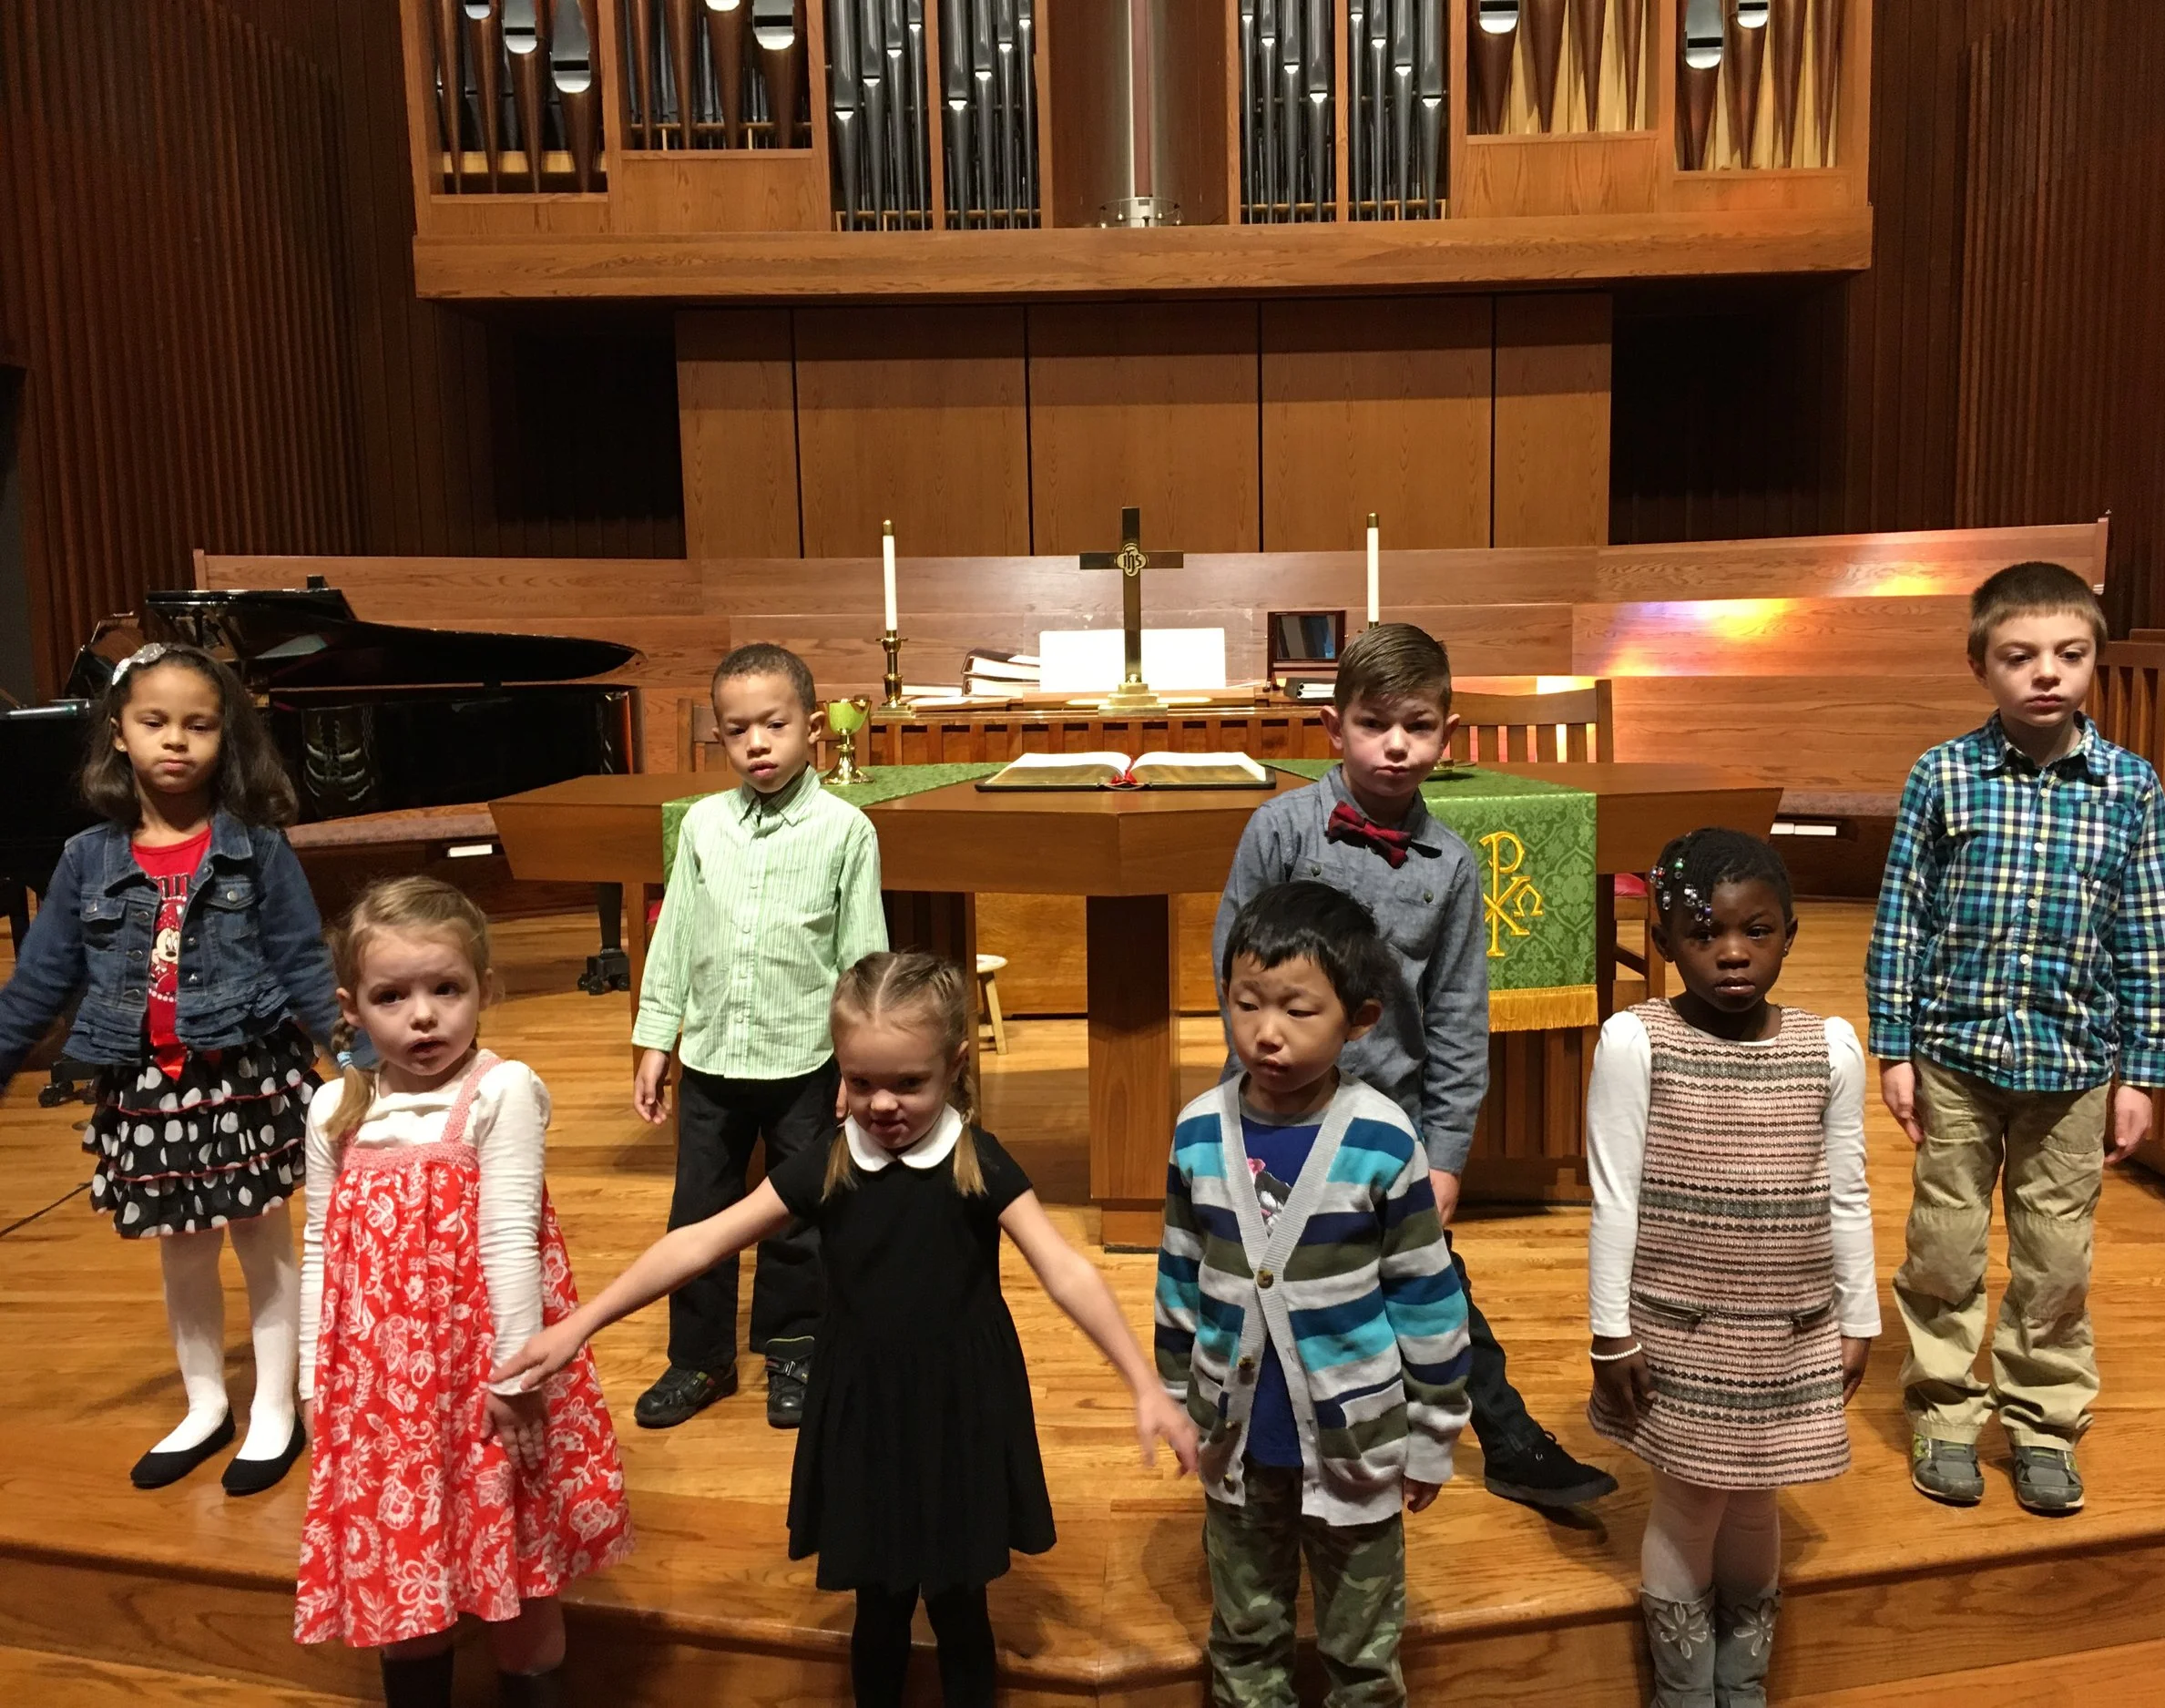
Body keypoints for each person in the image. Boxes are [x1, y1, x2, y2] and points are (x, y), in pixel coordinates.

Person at [500, 949, 1196, 1708]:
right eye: (861, 1080)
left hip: (960, 1400)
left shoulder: (976, 1160)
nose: (883, 1103)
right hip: (864, 1404)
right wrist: (581, 1322)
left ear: (955, 1064)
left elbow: (1068, 1271)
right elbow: (701, 1239)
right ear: (839, 1067)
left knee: (961, 1601)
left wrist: (1143, 1381)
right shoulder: (826, 1164)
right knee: (880, 1601)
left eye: (909, 1082)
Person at [1212, 620, 1617, 1510]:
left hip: (1387, 1121)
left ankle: (1502, 1438)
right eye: (1373, 723)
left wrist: (1444, 1154)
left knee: (1429, 1280)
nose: (1395, 745)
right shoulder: (1281, 831)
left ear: (1449, 729)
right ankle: (1252, 1445)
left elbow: (1458, 1017)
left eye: (1418, 725)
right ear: (1333, 727)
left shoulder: (1451, 863)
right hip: (1273, 1113)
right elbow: (1231, 970)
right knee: (1265, 1282)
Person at [1868, 560, 2165, 1517]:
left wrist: (2143, 1072)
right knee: (1946, 1246)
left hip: (2075, 1069)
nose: (2045, 673)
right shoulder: (1944, 775)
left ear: (2092, 662)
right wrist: (1893, 1049)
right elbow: (1901, 920)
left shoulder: (2128, 787)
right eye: (2019, 657)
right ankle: (1945, 1410)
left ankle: (2043, 1420)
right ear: (1981, 666)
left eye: (2068, 655)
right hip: (1956, 1058)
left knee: (2055, 1256)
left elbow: (2150, 935)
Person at [0, 641, 334, 1495]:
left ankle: (274, 1410)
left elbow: (303, 961)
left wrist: (360, 1057)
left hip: (244, 1075)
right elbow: (41, 975)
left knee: (264, 1242)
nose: (176, 741)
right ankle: (203, 1404)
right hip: (146, 1087)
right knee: (181, 1250)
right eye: (155, 722)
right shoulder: (86, 858)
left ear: (227, 737)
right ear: (118, 732)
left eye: (199, 725)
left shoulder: (257, 847)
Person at [294, 876, 631, 1708]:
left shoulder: (501, 1089)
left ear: (485, 989)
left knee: (514, 1562)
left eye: (446, 989)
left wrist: (516, 1381)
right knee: (404, 1581)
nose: (422, 1015)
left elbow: (511, 1239)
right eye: (391, 995)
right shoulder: (337, 1107)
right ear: (351, 1007)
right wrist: (311, 1381)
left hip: (486, 1379)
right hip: (386, 1400)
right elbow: (318, 1249)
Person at [1159, 880, 1472, 1708]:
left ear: (1359, 1020)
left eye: (1299, 1010)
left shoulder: (1380, 1135)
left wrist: (1435, 1431)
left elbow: (1426, 1297)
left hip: (1357, 1441)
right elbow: (1181, 1276)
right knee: (1245, 1634)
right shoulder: (1198, 1129)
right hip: (1234, 1440)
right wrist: (1172, 1399)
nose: (1266, 1032)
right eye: (1246, 1003)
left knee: (1363, 1649)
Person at [1587, 828, 1877, 1708]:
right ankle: (1685, 1691)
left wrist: (1857, 1315)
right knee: (1689, 1496)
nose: (1733, 952)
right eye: (1704, 932)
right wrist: (1611, 1329)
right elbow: (1614, 1194)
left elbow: (1848, 1191)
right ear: (1667, 940)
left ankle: (1741, 1684)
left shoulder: (1827, 1045)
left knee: (1758, 1496)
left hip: (1789, 1324)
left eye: (1756, 930)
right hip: (1678, 1323)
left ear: (1790, 933)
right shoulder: (1638, 1040)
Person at [629, 641, 888, 1429]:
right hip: (711, 1058)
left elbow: (862, 957)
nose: (757, 745)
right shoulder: (704, 826)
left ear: (812, 727)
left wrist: (859, 1061)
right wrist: (655, 1038)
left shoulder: (847, 830)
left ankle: (795, 1347)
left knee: (797, 1212)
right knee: (697, 1212)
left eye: (773, 725)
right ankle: (698, 1358)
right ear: (721, 735)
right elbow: (673, 936)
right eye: (737, 730)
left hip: (805, 1059)